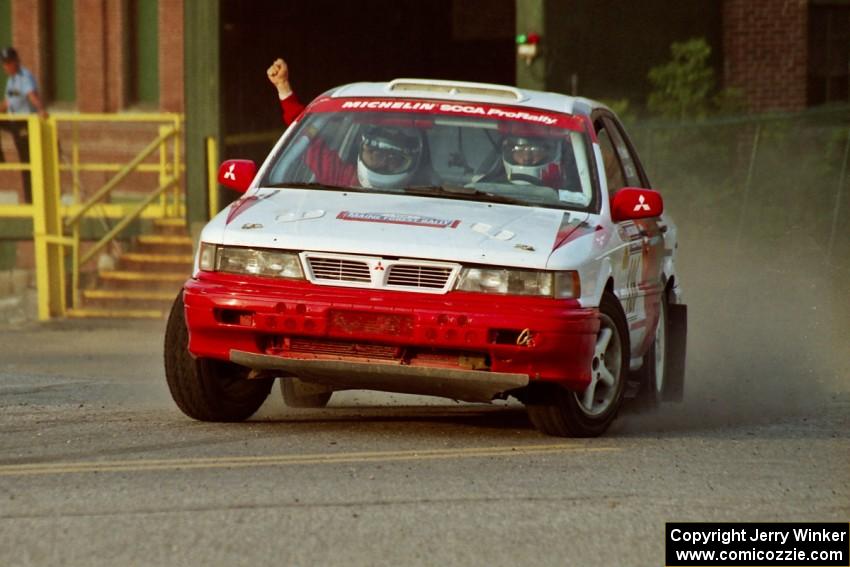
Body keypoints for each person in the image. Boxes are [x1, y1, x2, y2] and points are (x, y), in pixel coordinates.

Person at [266, 57, 424, 189]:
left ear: (410, 159)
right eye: (373, 146)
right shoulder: (344, 179)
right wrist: (284, 87)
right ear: (361, 148)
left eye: (390, 153)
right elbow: (305, 137)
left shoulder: (433, 192)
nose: (378, 156)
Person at [0, 47, 48, 204]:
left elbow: (32, 96)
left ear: (16, 61)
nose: (6, 66)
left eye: (9, 62)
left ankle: (32, 199)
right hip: (14, 120)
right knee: (25, 162)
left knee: (27, 161)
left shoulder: (24, 77)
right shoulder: (11, 80)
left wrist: (41, 110)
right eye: (4, 63)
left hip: (26, 123)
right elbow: (8, 102)